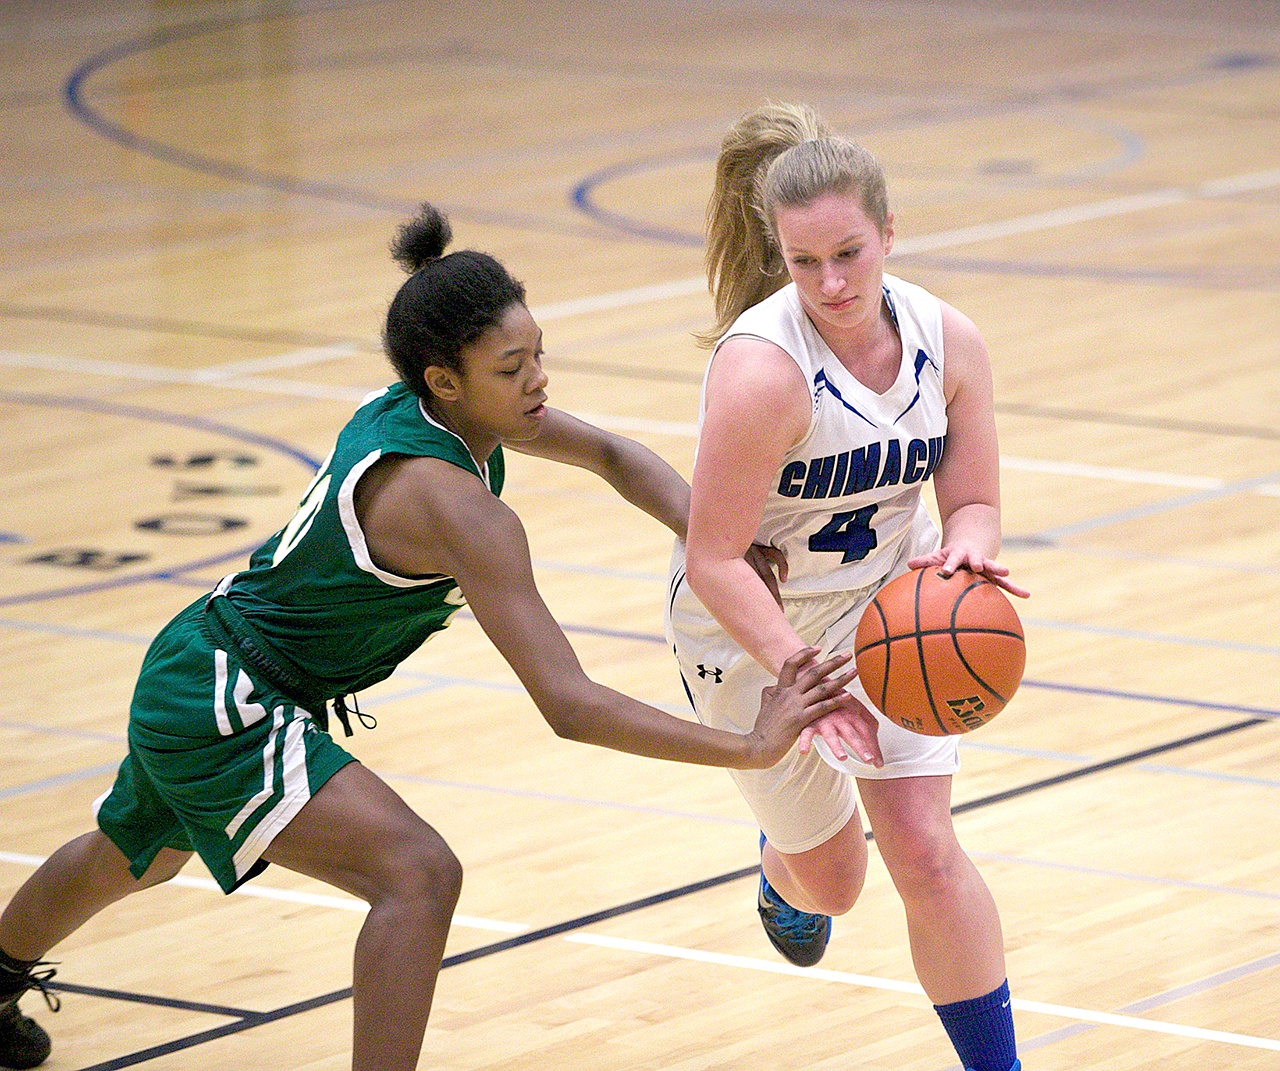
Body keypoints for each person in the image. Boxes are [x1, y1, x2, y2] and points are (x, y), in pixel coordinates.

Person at [0, 204, 859, 1071]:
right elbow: (569, 704)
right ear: (445, 380)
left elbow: (612, 455)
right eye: (511, 368)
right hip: (230, 699)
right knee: (417, 875)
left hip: (201, 661)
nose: (538, 381)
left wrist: (714, 536)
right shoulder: (460, 512)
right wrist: (749, 746)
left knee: (132, 855)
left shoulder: (429, 411)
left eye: (538, 354)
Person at [665, 103, 1029, 1071]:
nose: (829, 283)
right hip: (755, 631)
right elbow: (713, 558)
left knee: (924, 850)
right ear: (778, 254)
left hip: (888, 613)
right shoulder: (762, 372)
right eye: (803, 262)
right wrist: (804, 679)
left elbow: (973, 501)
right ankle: (781, 871)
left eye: (848, 254)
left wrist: (966, 556)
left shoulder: (947, 340)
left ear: (889, 234)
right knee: (833, 884)